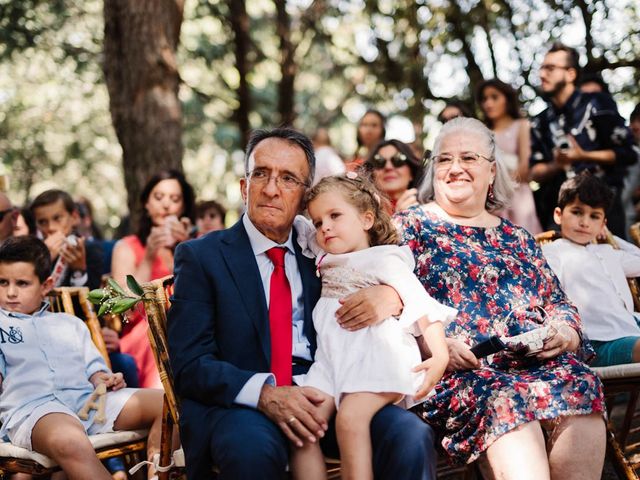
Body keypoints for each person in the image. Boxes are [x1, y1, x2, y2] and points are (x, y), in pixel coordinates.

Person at [167, 127, 438, 479]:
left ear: (305, 195)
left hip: (332, 388)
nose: (271, 189)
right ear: (243, 186)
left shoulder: (322, 246)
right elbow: (190, 364)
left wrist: (394, 297)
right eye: (260, 174)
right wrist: (265, 394)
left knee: (409, 434)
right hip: (246, 404)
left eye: (288, 178)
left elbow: (382, 268)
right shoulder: (201, 256)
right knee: (251, 450)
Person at [394, 117, 606, 479]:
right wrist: (435, 344)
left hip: (533, 361)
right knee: (505, 399)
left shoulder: (517, 236)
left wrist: (564, 333)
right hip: (464, 371)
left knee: (581, 382)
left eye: (468, 158)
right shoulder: (408, 228)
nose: (455, 168)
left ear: (492, 171)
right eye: (444, 159)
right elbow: (386, 301)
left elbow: (558, 302)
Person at [290, 173, 453, 479]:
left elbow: (421, 306)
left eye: (335, 215)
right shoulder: (325, 255)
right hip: (333, 362)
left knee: (350, 419)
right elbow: (296, 227)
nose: (324, 226)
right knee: (303, 427)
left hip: (376, 360)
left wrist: (440, 355)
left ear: (366, 219)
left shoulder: (384, 259)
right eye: (318, 221)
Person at [0, 236, 163, 479]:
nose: (11, 292)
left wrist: (104, 379)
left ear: (45, 286)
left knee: (169, 403)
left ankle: (157, 475)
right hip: (35, 410)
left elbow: (94, 369)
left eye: (22, 284)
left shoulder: (69, 323)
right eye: (2, 282)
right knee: (70, 440)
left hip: (86, 404)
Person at [530, 42, 637, 235]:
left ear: (571, 74)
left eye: (550, 68)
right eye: (542, 68)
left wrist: (583, 155)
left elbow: (628, 154)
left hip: (604, 208)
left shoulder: (598, 103)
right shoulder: (540, 121)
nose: (542, 74)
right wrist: (557, 164)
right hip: (560, 213)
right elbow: (534, 171)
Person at [541, 173, 640, 367]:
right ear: (558, 215)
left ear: (603, 224)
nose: (585, 222)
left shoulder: (608, 252)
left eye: (594, 217)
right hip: (596, 343)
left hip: (630, 328)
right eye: (577, 212)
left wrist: (612, 237)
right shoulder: (552, 253)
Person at [111, 170, 195, 389]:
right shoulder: (127, 247)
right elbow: (124, 310)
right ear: (146, 204)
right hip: (145, 335)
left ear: (183, 207)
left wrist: (187, 248)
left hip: (188, 327)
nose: (166, 205)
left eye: (174, 199)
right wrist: (149, 256)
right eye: (158, 198)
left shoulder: (194, 246)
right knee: (160, 332)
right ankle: (164, 407)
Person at [477, 79, 542, 234]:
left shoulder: (521, 125)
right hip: (491, 200)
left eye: (494, 97)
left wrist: (503, 188)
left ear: (506, 98)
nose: (488, 103)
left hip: (518, 195)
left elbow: (524, 167)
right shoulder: (481, 131)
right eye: (484, 99)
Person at [30, 189, 103, 290]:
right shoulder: (32, 254)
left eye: (57, 218)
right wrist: (43, 260)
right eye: (42, 222)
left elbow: (93, 301)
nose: (51, 227)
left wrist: (79, 270)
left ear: (74, 217)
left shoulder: (90, 250)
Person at [364, 139, 424, 214]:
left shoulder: (428, 208)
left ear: (411, 173)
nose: (388, 167)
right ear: (372, 174)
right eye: (380, 162)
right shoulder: (361, 210)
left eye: (398, 160)